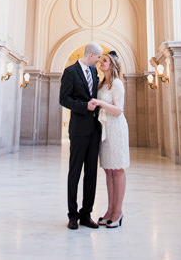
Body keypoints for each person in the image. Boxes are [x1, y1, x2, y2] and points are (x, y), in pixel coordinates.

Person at [59, 42, 103, 229]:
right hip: (78, 130)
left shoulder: (94, 73)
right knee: (75, 172)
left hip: (94, 130)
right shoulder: (70, 72)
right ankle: (72, 215)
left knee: (91, 173)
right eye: (99, 57)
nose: (100, 61)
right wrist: (83, 106)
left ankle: (86, 214)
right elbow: (64, 99)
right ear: (91, 55)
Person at [91, 50, 129, 228]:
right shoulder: (101, 84)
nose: (101, 62)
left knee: (118, 169)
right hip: (105, 129)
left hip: (116, 129)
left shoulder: (117, 84)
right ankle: (109, 209)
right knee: (108, 170)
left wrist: (100, 103)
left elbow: (118, 110)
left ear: (112, 65)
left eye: (104, 60)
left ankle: (118, 211)